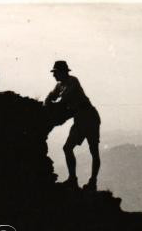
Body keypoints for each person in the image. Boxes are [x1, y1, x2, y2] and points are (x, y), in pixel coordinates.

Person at [44, 60, 102, 190]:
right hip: (80, 119)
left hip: (90, 118)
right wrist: (48, 102)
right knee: (67, 148)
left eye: (55, 72)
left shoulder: (73, 81)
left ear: (62, 72)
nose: (53, 75)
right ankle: (73, 179)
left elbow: (65, 99)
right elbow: (51, 96)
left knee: (94, 151)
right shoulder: (60, 85)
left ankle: (92, 182)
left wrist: (52, 104)